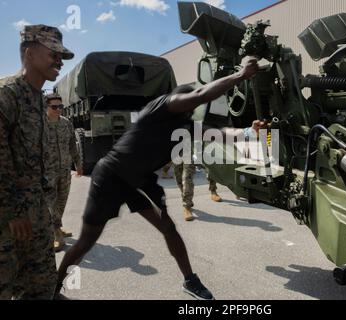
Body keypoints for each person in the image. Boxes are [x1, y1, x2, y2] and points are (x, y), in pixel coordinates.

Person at [55, 57, 260, 300]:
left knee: (169, 228)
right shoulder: (161, 105)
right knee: (87, 241)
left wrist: (248, 132)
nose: (193, 108)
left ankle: (190, 281)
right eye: (190, 102)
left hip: (139, 181)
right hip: (111, 176)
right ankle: (53, 289)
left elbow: (220, 133)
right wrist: (240, 75)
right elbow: (201, 95)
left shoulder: (185, 125)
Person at [0, 25, 74, 299]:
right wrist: (14, 211)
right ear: (29, 54)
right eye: (53, 54)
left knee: (41, 284)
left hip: (37, 212)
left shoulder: (38, 100)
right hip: (9, 217)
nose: (60, 61)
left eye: (61, 56)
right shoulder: (7, 94)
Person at [46, 93, 83, 252]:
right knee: (50, 204)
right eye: (54, 107)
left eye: (60, 106)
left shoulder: (66, 123)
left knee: (62, 201)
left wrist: (78, 164)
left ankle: (57, 228)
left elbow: (72, 146)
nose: (58, 110)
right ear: (46, 107)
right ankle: (57, 236)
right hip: (47, 172)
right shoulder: (41, 124)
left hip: (65, 170)